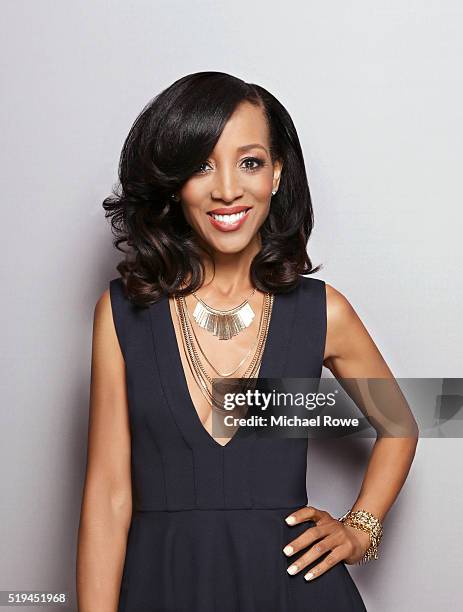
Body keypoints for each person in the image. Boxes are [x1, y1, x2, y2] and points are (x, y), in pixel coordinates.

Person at [76, 71, 418, 612]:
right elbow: (108, 497)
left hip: (292, 592)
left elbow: (401, 424)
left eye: (250, 162)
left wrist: (360, 529)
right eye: (201, 165)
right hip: (162, 587)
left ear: (277, 174)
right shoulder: (122, 313)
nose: (228, 188)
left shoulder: (321, 310)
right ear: (173, 181)